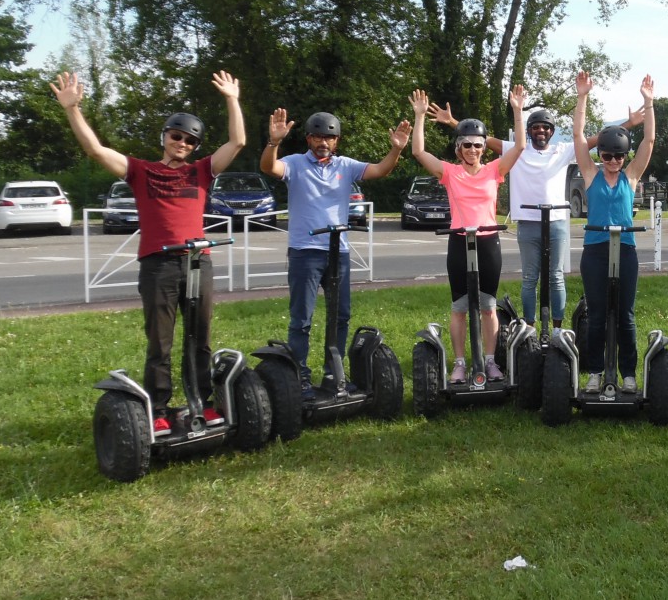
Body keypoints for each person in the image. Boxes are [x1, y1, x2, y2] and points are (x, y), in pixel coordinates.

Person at [50, 69, 246, 432]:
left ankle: (202, 402)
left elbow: (237, 143)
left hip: (198, 262)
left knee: (200, 339)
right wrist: (72, 110)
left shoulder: (201, 172)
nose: (182, 143)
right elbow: (94, 150)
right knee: (161, 342)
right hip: (158, 265)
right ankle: (157, 408)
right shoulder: (140, 172)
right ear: (165, 137)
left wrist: (232, 99)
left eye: (189, 140)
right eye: (176, 136)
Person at [426, 99, 643, 332]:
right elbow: (478, 138)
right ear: (528, 131)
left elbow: (597, 140)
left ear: (552, 132)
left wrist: (628, 124)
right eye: (536, 127)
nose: (541, 130)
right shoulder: (515, 149)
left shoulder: (563, 150)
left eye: (546, 127)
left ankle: (557, 329)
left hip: (557, 221)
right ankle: (530, 326)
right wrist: (452, 122)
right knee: (530, 277)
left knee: (556, 276)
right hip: (528, 222)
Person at [259, 109, 411, 397]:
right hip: (305, 252)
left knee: (340, 316)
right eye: (317, 137)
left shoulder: (346, 165)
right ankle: (299, 377)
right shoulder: (294, 164)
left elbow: (381, 170)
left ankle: (334, 372)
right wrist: (273, 142)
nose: (323, 143)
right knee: (301, 319)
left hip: (337, 252)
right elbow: (269, 168)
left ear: (337, 140)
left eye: (329, 137)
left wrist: (396, 149)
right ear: (308, 138)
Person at [410, 86, 527, 383]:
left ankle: (489, 361)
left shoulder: (493, 170)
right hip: (459, 241)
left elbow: (520, 147)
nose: (473, 150)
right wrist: (420, 117)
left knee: (488, 307)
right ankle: (460, 363)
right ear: (458, 148)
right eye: (467, 145)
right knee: (460, 307)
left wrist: (517, 111)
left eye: (478, 145)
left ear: (483, 148)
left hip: (488, 241)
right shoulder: (449, 172)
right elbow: (418, 152)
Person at [572, 70, 655, 393]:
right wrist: (583, 97)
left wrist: (648, 103)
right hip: (595, 250)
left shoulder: (630, 177)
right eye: (607, 155)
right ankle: (594, 371)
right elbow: (579, 138)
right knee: (595, 315)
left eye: (618, 156)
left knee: (625, 316)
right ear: (600, 156)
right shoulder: (591, 175)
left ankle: (628, 373)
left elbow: (649, 141)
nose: (613, 161)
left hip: (626, 249)